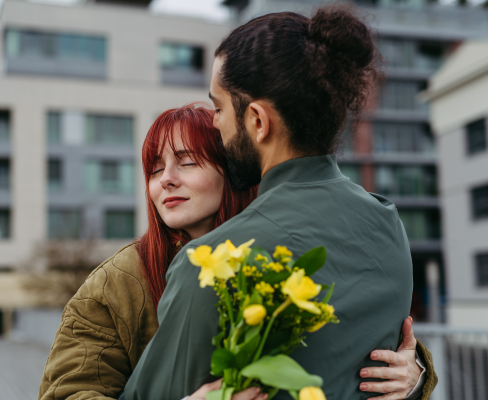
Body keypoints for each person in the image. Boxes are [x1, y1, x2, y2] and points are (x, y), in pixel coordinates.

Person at [120, 5, 437, 400]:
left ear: (257, 120)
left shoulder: (214, 263)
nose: (215, 123)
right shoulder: (388, 223)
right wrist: (419, 376)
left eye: (218, 108)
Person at [38, 105, 432, 400]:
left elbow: (336, 344)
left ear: (233, 171)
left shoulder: (281, 248)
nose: (167, 180)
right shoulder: (116, 283)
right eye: (155, 170)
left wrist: (414, 376)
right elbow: (67, 392)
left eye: (187, 162)